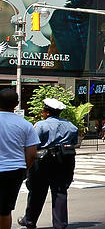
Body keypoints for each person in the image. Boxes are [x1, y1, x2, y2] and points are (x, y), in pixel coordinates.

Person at [19, 98, 78, 229]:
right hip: (64, 160)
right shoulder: (71, 126)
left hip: (43, 161)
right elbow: (74, 142)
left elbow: (32, 143)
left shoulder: (41, 125)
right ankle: (60, 224)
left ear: (47, 113)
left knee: (37, 192)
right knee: (60, 192)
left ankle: (30, 220)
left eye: (43, 111)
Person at [0, 89, 38, 229]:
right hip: (14, 170)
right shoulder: (25, 125)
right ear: (16, 104)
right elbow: (32, 154)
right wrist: (24, 170)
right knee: (5, 210)